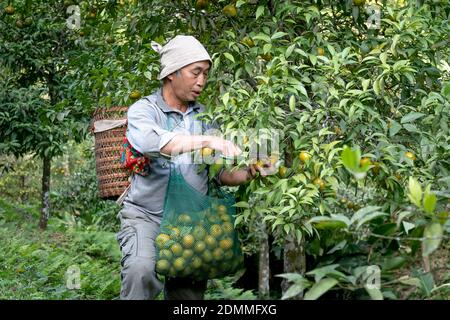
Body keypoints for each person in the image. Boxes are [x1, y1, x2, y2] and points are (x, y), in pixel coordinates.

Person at [116, 35, 274, 300]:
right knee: (140, 271)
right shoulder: (144, 110)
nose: (201, 81)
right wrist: (208, 140)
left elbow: (218, 175)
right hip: (146, 216)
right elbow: (148, 142)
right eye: (195, 72)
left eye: (205, 74)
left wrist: (249, 173)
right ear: (171, 74)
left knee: (187, 296)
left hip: (188, 221)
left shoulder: (206, 118)